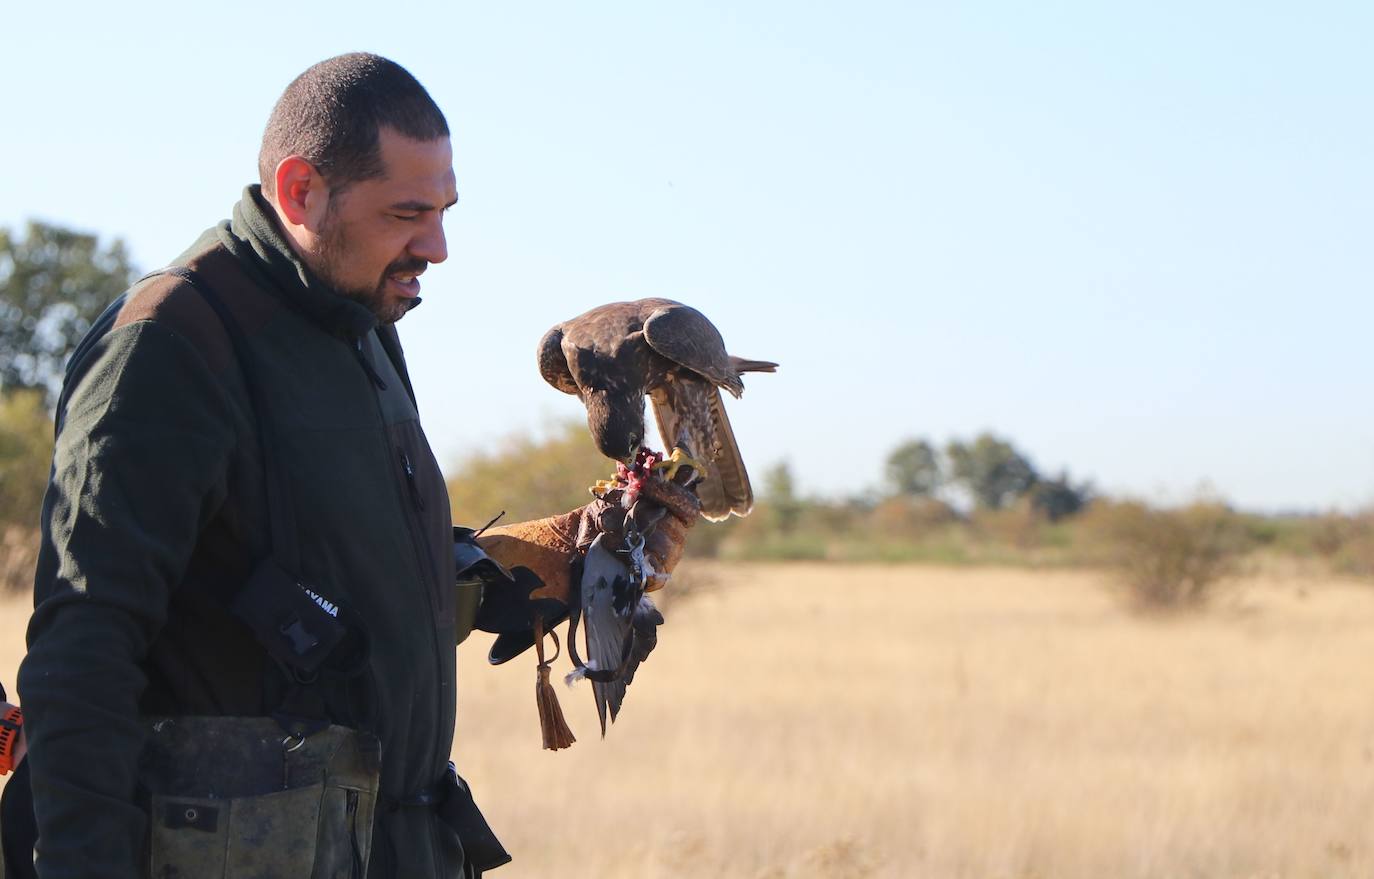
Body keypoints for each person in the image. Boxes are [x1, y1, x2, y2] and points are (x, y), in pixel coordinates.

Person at [5, 53, 696, 879]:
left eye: (445, 210)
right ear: (300, 190)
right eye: (407, 212)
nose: (436, 246)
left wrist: (542, 563)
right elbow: (83, 653)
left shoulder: (362, 325)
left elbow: (321, 580)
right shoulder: (170, 345)